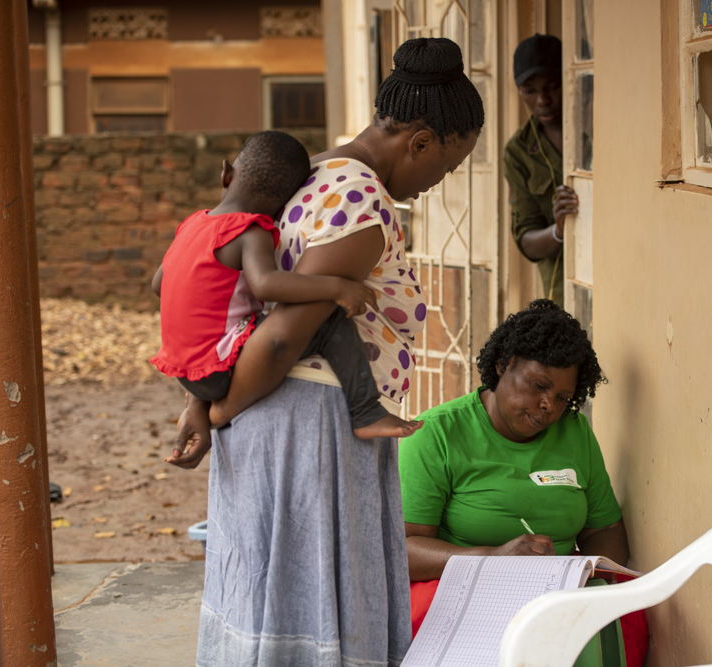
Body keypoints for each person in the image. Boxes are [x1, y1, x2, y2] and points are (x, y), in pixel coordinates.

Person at [171, 37, 484, 667]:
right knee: (315, 614)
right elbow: (287, 332)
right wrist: (216, 411)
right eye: (446, 166)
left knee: (269, 601)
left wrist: (199, 400)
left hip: (275, 414)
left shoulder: (308, 171)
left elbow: (223, 298)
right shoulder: (361, 204)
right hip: (309, 425)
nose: (436, 183)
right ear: (420, 140)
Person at [399, 299, 649, 667]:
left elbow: (605, 527)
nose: (549, 405)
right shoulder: (436, 435)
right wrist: (493, 559)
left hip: (555, 596)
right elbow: (402, 550)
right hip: (462, 592)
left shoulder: (575, 432)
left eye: (563, 397)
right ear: (503, 363)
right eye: (538, 385)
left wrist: (588, 576)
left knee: (627, 614)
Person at [149, 130, 421, 440]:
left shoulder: (193, 224)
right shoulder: (250, 232)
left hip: (184, 369)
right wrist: (338, 288)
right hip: (217, 371)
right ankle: (366, 412)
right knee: (330, 321)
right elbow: (266, 284)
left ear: (226, 174)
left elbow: (159, 283)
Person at [503, 34, 580, 305]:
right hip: (566, 290)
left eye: (552, 86)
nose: (543, 100)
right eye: (530, 90)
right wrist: (558, 230)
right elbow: (527, 241)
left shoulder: (596, 129)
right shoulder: (518, 152)